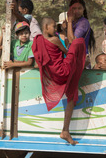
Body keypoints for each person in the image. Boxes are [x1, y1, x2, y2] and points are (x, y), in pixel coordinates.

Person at [32, 17, 86, 145]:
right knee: (79, 42)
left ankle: (65, 131)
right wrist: (68, 34)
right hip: (63, 70)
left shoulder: (37, 40)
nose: (56, 30)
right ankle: (65, 130)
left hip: (52, 73)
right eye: (54, 27)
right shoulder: (55, 39)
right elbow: (66, 52)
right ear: (46, 27)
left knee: (72, 96)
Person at [0, 0, 22, 65]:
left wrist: (15, 13)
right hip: (4, 62)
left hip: (20, 62)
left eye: (12, 1)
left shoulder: (23, 21)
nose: (10, 4)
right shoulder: (1, 23)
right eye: (8, 2)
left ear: (18, 3)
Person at [66, 0, 95, 68]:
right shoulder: (71, 22)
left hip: (81, 60)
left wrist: (69, 22)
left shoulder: (83, 22)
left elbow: (72, 41)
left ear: (83, 9)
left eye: (79, 8)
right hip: (72, 58)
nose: (77, 11)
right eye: (74, 8)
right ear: (70, 9)